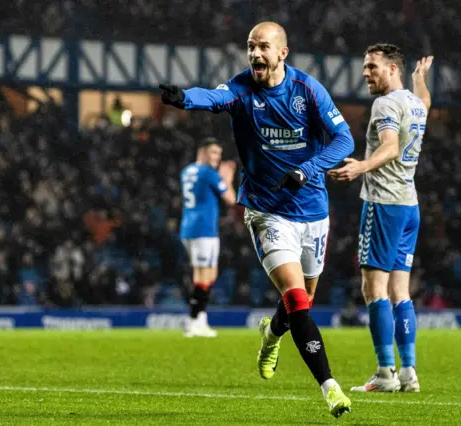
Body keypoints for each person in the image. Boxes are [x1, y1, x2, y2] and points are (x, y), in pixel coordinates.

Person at [160, 21, 353, 418]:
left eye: (263, 47)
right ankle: (330, 387)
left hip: (313, 212)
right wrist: (183, 98)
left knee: (304, 299)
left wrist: (309, 169)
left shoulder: (308, 90)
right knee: (298, 301)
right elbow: (212, 97)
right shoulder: (241, 88)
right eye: (250, 47)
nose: (255, 54)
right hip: (267, 212)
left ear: (282, 52)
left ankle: (271, 334)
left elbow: (345, 140)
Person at [329, 45, 433, 393]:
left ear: (391, 69)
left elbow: (389, 146)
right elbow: (425, 107)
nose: (365, 73)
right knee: (400, 291)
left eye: (371, 66)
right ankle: (409, 372)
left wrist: (360, 166)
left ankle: (385, 372)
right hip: (409, 206)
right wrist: (420, 81)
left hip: (384, 203)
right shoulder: (414, 103)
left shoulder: (385, 104)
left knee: (373, 290)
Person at [180, 137, 236, 337]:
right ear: (202, 152)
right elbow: (230, 199)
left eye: (219, 154)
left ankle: (200, 319)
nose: (217, 157)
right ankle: (194, 321)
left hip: (189, 228)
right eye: (213, 153)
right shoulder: (208, 173)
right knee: (203, 275)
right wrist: (227, 179)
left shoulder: (186, 171)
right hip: (203, 229)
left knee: (209, 273)